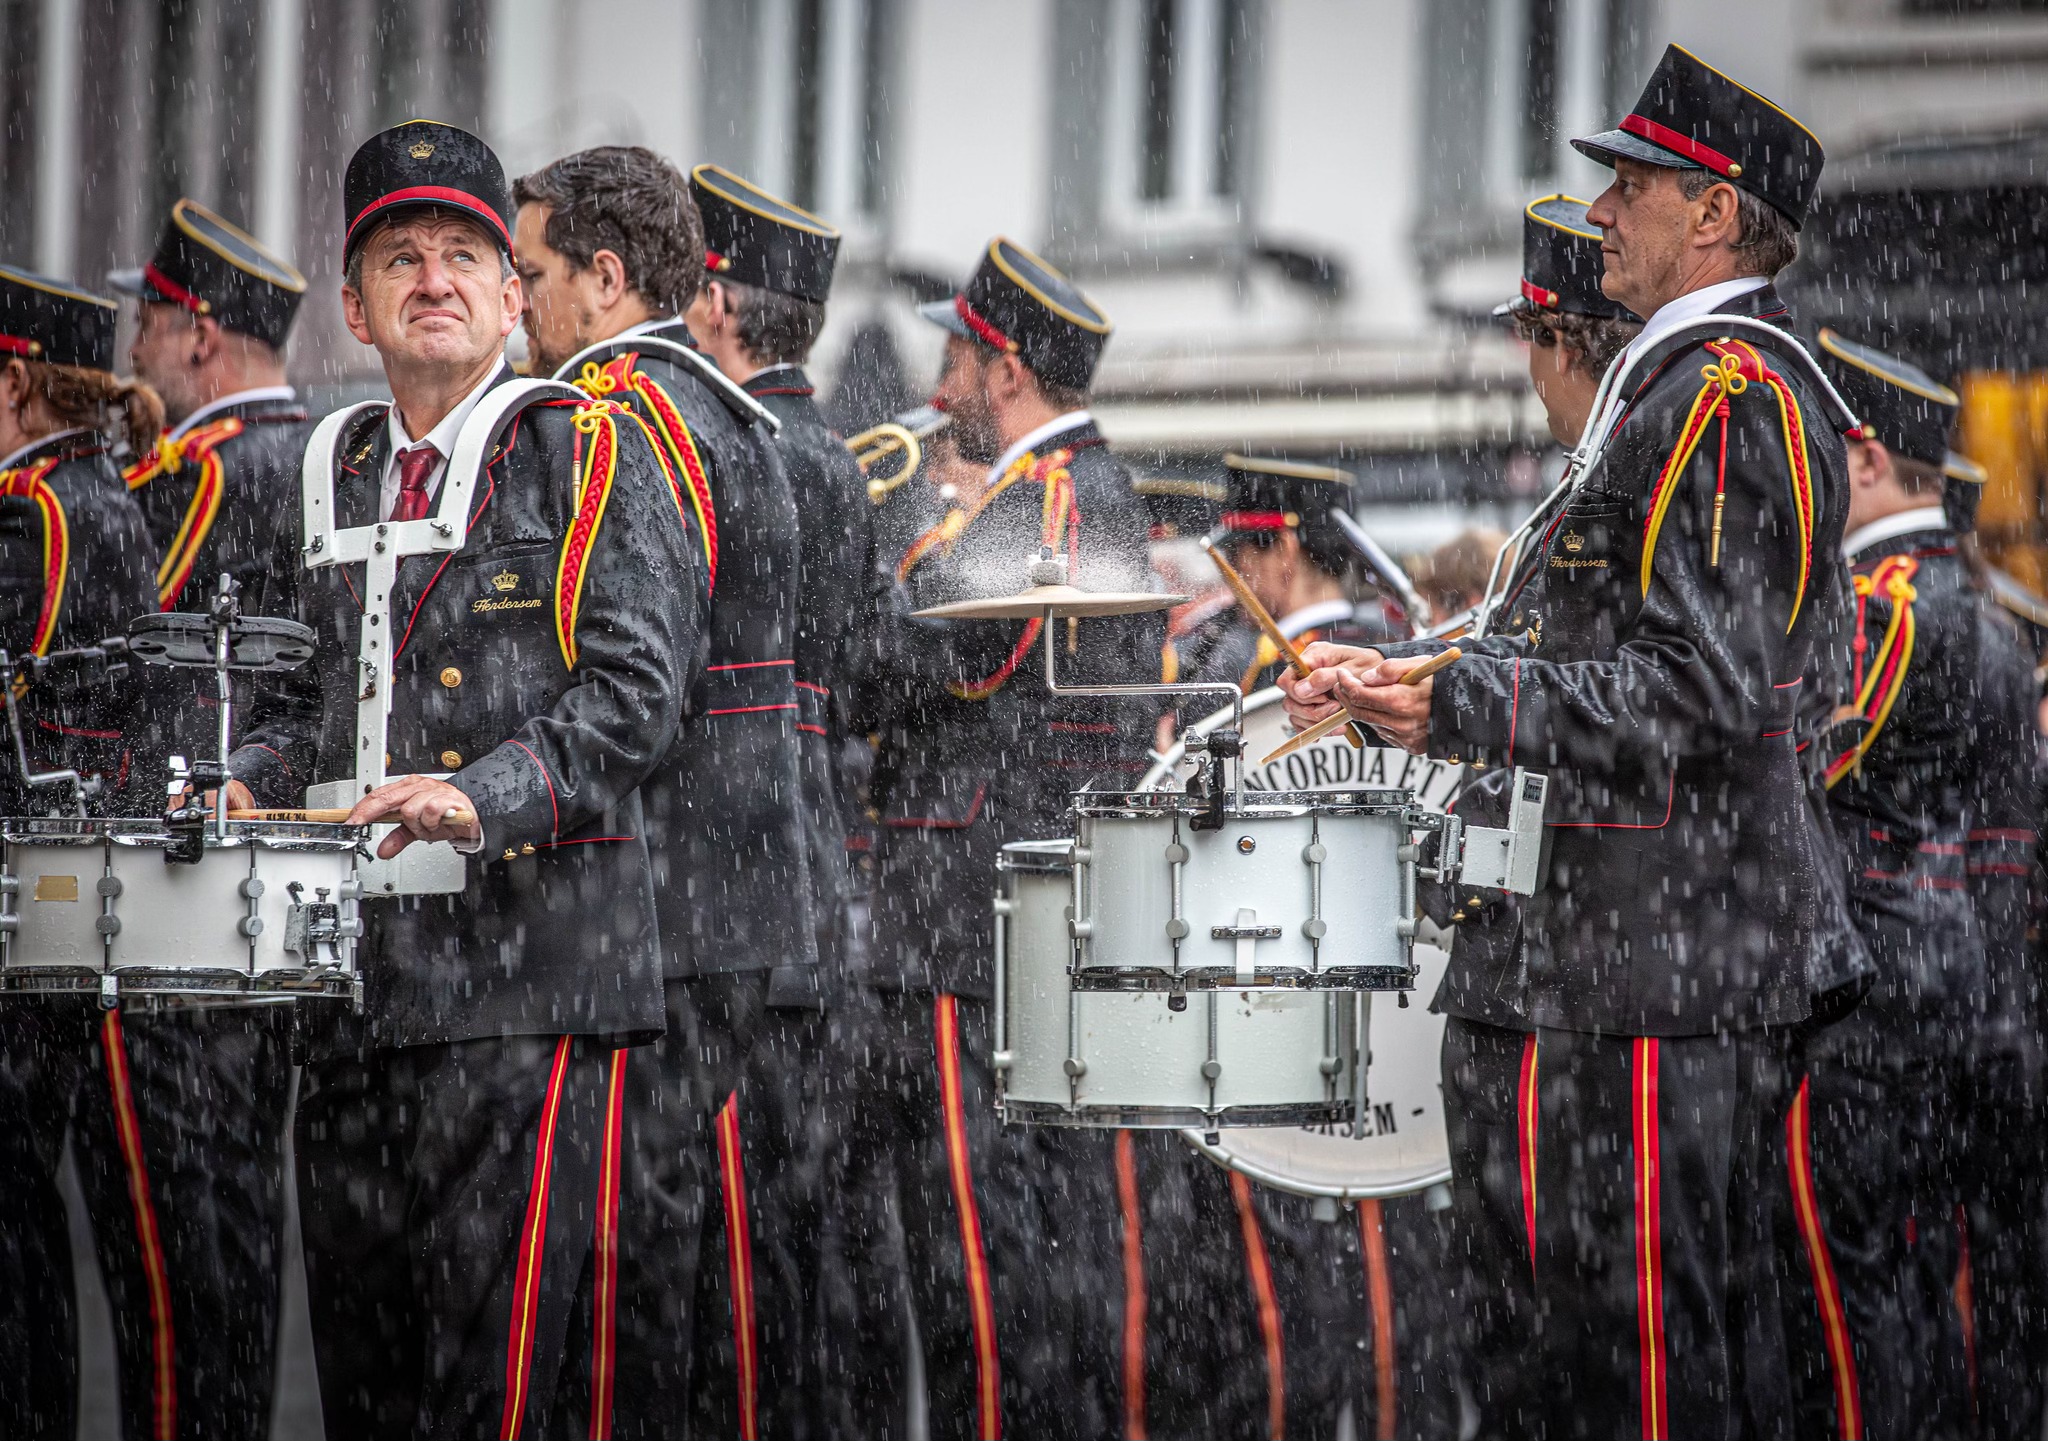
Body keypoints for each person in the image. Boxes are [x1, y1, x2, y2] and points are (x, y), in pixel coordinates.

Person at [1284, 44, 1852, 1435]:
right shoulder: (1667, 392)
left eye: (1632, 187)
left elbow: (1707, 689)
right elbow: (1591, 651)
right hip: (1600, 957)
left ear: (1713, 215)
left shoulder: (1727, 395)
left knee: (1635, 1360)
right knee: (1549, 1352)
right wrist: (1413, 671)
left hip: (1656, 961)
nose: (1602, 214)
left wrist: (1464, 701)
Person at [224, 119, 705, 1439]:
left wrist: (474, 796)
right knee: (368, 1382)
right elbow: (288, 698)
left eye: (463, 254)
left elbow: (634, 694)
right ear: (353, 303)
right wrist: (250, 784)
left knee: (488, 1390)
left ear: (512, 293)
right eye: (398, 256)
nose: (431, 277)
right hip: (356, 994)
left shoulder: (585, 447)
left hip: (528, 984)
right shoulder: (323, 470)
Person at [509, 144, 816, 1439]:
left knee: (625, 1285)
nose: (517, 299)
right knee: (686, 1279)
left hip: (662, 907)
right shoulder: (737, 413)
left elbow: (633, 686)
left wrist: (499, 792)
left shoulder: (626, 415)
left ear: (607, 276)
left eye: (530, 271)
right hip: (738, 895)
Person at [851, 237, 1157, 1438]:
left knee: (975, 1255)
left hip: (966, 923)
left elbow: (894, 662)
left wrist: (893, 536)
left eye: (956, 361)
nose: (937, 391)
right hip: (1031, 914)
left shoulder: (1046, 502)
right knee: (1044, 1244)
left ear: (1008, 369)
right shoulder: (1085, 492)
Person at [25, 197, 317, 1441]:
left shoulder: (204, 474)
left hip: (171, 900)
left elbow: (139, 668)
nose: (136, 349)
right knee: (221, 1253)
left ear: (200, 338)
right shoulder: (307, 452)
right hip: (245, 909)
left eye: (151, 321)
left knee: (172, 1265)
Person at [1785, 330, 2043, 1439]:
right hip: (1972, 987)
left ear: (1867, 461)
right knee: (1929, 1281)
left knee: (1852, 1299)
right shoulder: (1986, 610)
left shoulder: (1878, 604)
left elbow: (1797, 775)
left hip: (1870, 998)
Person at [1424, 193, 1643, 1437]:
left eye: (1531, 335)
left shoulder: (1606, 491)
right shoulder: (1579, 489)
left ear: (1562, 342)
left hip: (1558, 962)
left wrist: (1441, 692)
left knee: (1546, 1317)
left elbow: (1586, 701)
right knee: (1514, 1313)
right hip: (1532, 954)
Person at [684, 160, 879, 1434]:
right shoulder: (834, 456)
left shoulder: (753, 446)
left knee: (741, 1281)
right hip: (815, 896)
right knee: (791, 1263)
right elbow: (857, 679)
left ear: (714, 302)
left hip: (754, 892)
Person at [0, 263, 165, 1441]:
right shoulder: (100, 491)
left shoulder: (36, 510)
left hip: (25, 905)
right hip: (72, 897)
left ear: (15, 385)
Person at [1196, 454, 1400, 694]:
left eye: (1234, 554)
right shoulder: (1378, 644)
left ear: (1284, 549)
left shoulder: (1300, 664)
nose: (1228, 571)